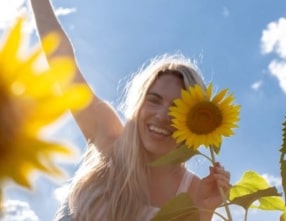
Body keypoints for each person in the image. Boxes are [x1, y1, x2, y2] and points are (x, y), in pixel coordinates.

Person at [30, 0, 231, 220]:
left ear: (194, 120)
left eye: (177, 108)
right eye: (154, 100)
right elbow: (62, 62)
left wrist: (207, 209)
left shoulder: (194, 192)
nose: (162, 115)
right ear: (139, 103)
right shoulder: (111, 140)